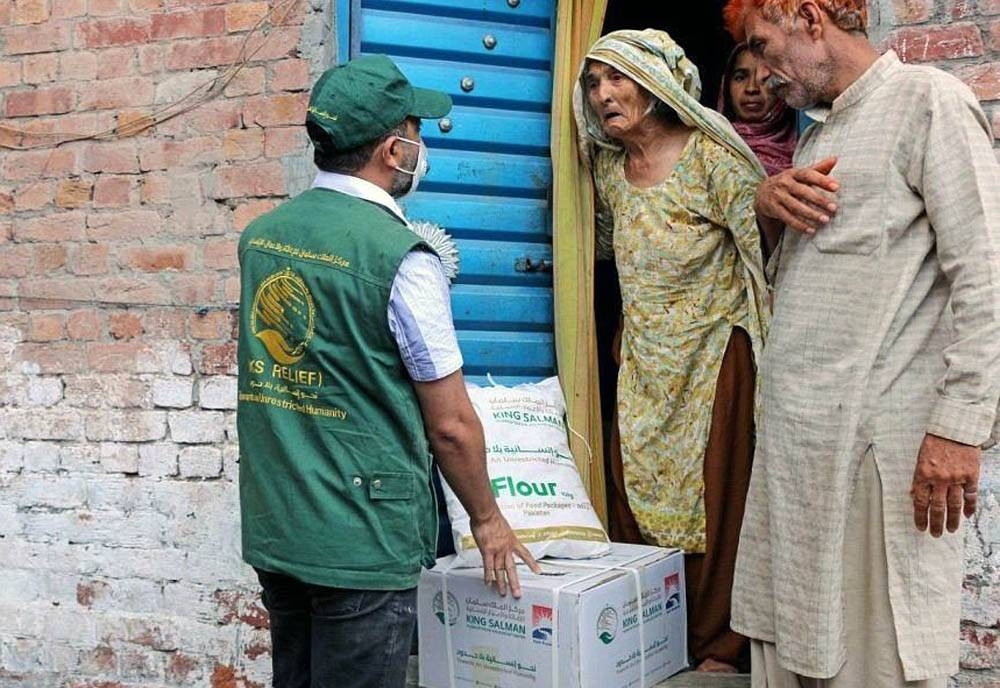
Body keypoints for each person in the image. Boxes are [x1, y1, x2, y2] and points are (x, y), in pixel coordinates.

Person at [236, 54, 539, 688]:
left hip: (280, 527)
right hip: (362, 541)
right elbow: (451, 424)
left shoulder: (263, 236)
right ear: (392, 151)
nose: (422, 145)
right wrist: (487, 519)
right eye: (416, 131)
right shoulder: (402, 258)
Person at [721, 1, 1000, 686]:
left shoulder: (927, 102)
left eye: (762, 43)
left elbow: (987, 274)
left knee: (880, 658)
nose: (759, 70)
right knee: (796, 649)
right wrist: (763, 206)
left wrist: (960, 429)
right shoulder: (819, 137)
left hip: (880, 454)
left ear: (811, 18)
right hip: (798, 456)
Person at [573, 29, 771, 673]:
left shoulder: (713, 157)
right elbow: (603, 250)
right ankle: (655, 636)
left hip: (715, 355)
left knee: (718, 495)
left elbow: (765, 253)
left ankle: (720, 645)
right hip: (644, 360)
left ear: (656, 84)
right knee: (636, 484)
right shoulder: (607, 171)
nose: (603, 94)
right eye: (593, 83)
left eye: (617, 78)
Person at [718, 43, 798, 176]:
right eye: (740, 77)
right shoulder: (711, 149)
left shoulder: (808, 145)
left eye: (765, 79)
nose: (751, 88)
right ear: (726, 88)